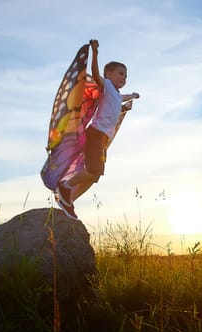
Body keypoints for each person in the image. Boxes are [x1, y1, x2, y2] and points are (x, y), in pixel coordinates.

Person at [56, 39, 139, 219]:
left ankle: (67, 200)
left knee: (94, 176)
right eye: (120, 74)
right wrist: (95, 53)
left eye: (125, 76)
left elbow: (120, 98)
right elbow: (94, 73)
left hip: (102, 140)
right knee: (93, 171)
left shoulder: (115, 93)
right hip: (94, 135)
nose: (123, 78)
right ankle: (66, 186)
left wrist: (132, 95)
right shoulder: (106, 85)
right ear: (108, 74)